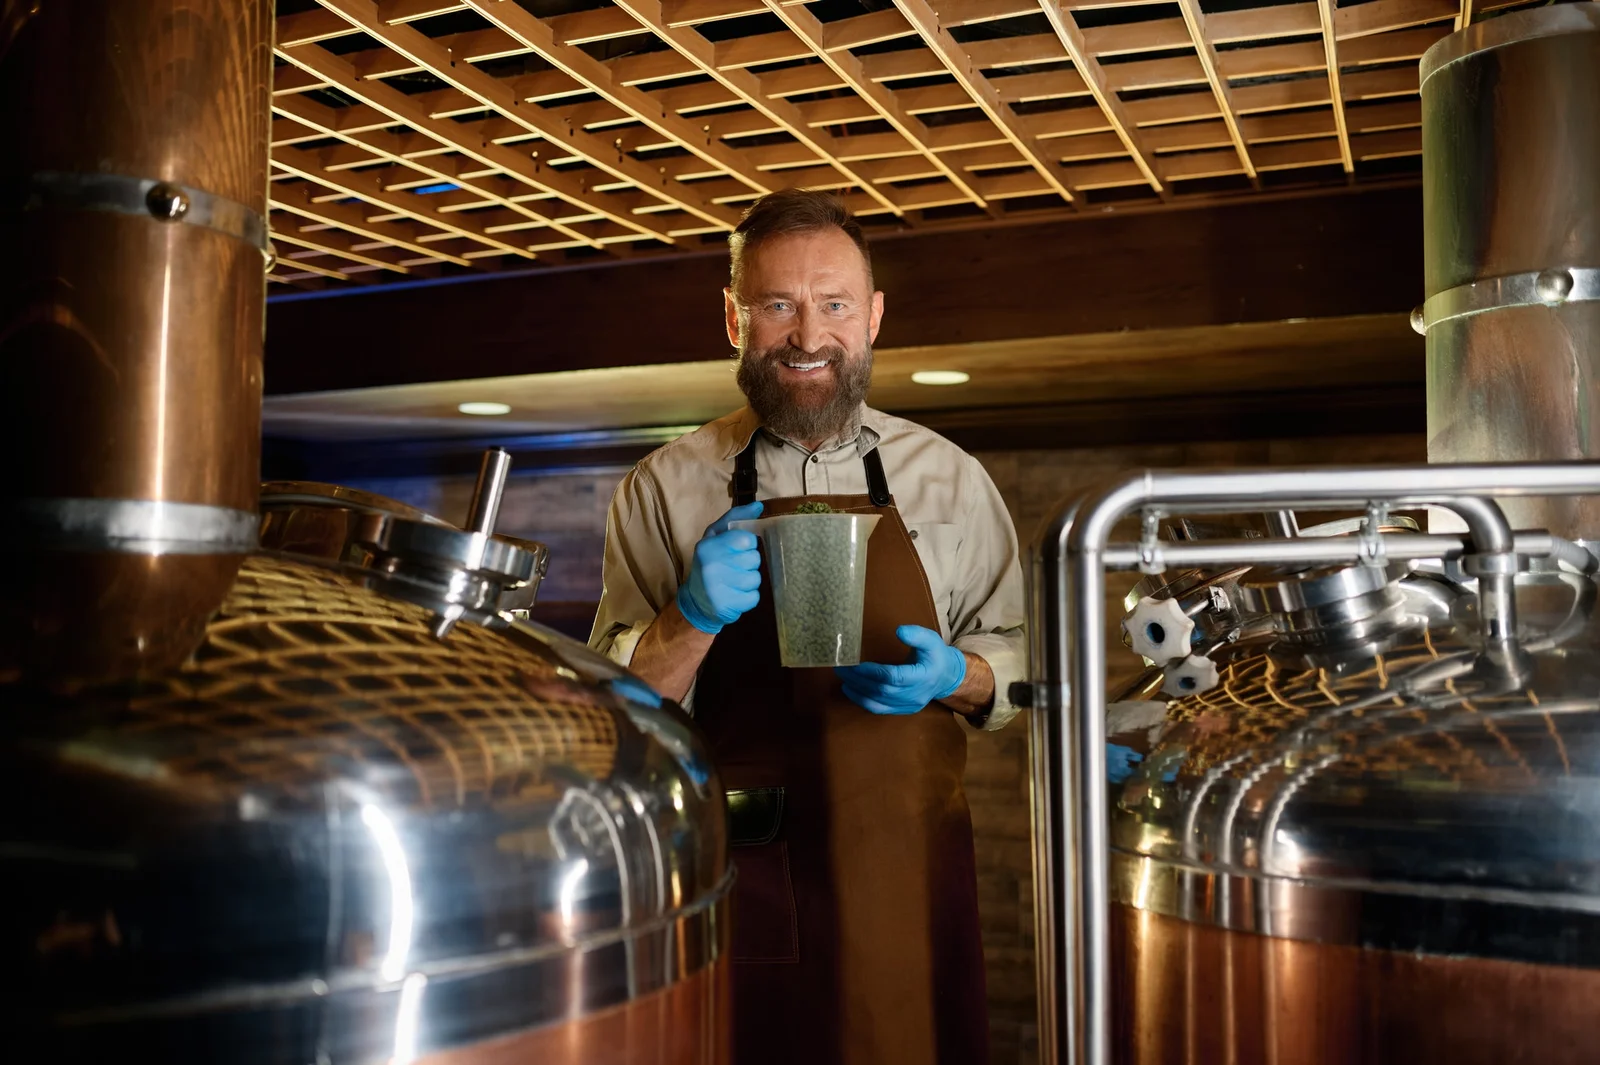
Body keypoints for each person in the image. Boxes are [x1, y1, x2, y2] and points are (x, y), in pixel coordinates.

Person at [590, 189, 1026, 1065]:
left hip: (910, 876)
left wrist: (959, 677)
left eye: (833, 305)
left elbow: (1023, 660)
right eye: (777, 305)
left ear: (871, 317)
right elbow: (613, 715)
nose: (807, 335)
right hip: (739, 875)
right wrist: (692, 617)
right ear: (733, 318)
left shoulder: (951, 479)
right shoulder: (662, 487)